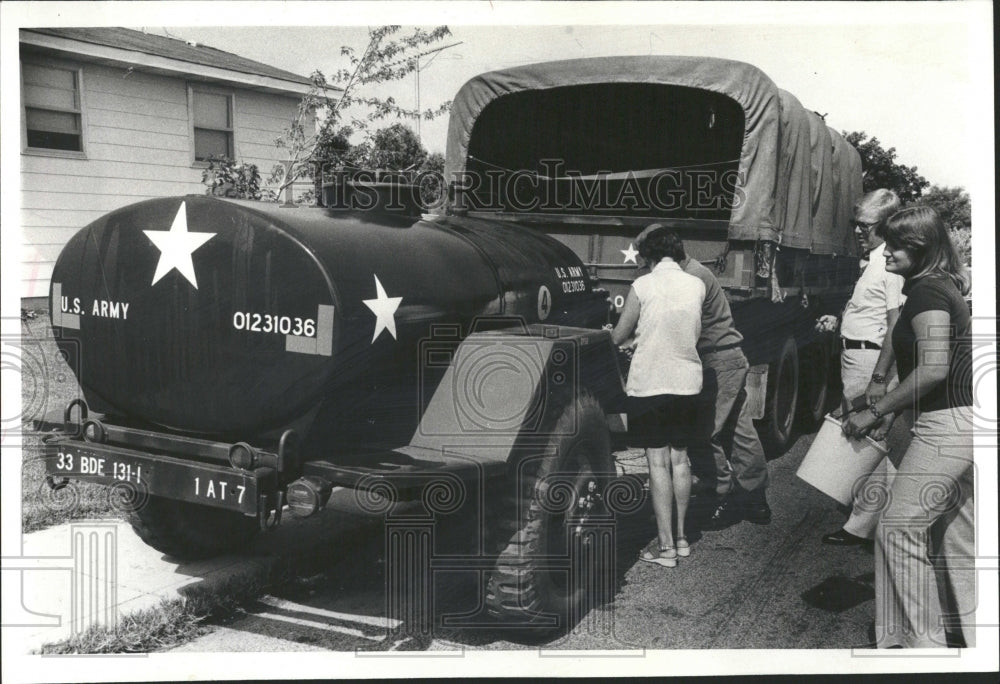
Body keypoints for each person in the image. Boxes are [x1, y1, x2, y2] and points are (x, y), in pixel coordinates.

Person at [844, 206, 974, 648]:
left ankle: (924, 648)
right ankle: (969, 638)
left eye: (896, 245)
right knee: (956, 534)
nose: (886, 253)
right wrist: (893, 407)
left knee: (898, 528)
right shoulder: (936, 287)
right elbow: (929, 366)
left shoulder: (928, 293)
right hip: (961, 419)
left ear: (919, 249)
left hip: (948, 424)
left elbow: (934, 369)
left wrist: (875, 413)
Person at [635, 223, 771, 530]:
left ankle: (719, 495)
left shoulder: (689, 278)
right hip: (729, 358)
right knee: (739, 430)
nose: (648, 267)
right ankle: (755, 498)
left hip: (716, 362)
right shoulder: (695, 272)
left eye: (649, 259)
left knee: (700, 432)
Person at [612, 227, 706, 567]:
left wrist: (618, 338)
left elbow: (620, 336)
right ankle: (682, 539)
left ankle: (665, 548)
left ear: (648, 256)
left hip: (651, 382)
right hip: (687, 382)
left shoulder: (643, 285)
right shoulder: (697, 284)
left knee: (656, 463)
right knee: (680, 460)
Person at [819, 189, 907, 547]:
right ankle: (868, 518)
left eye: (866, 225)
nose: (858, 230)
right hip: (857, 356)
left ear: (885, 225)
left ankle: (863, 527)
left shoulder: (889, 265)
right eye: (856, 224)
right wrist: (838, 320)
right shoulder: (873, 259)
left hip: (870, 361)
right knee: (865, 437)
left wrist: (879, 379)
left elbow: (895, 327)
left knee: (869, 439)